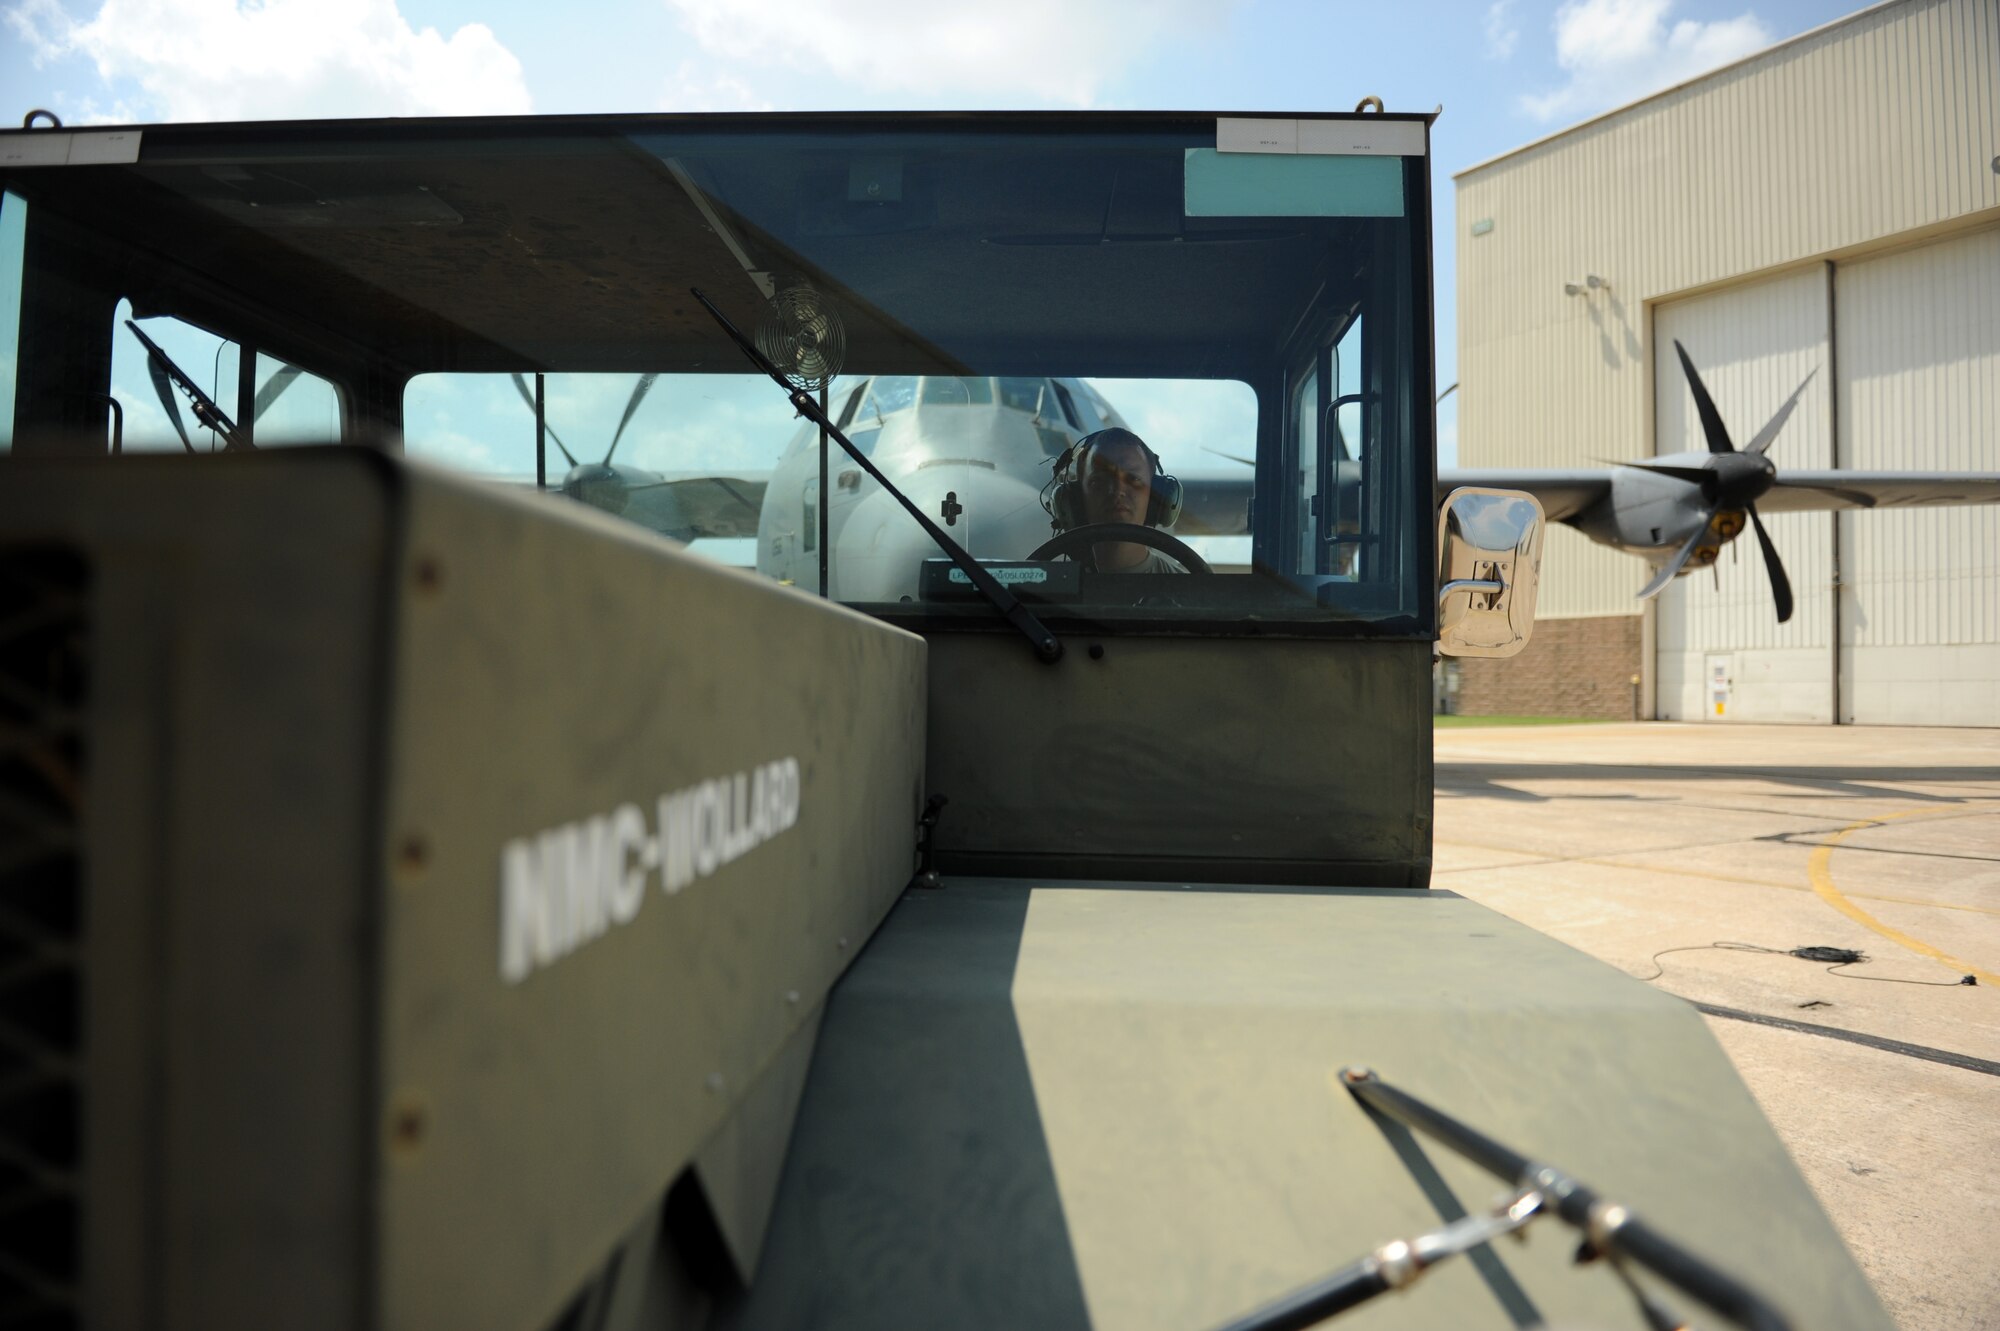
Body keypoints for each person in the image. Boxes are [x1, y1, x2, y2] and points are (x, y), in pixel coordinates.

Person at [1055, 428, 1190, 573]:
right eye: (1099, 481)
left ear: (1154, 499)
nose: (1117, 491)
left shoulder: (1191, 592)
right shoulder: (1048, 589)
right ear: (1078, 499)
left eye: (1134, 479)